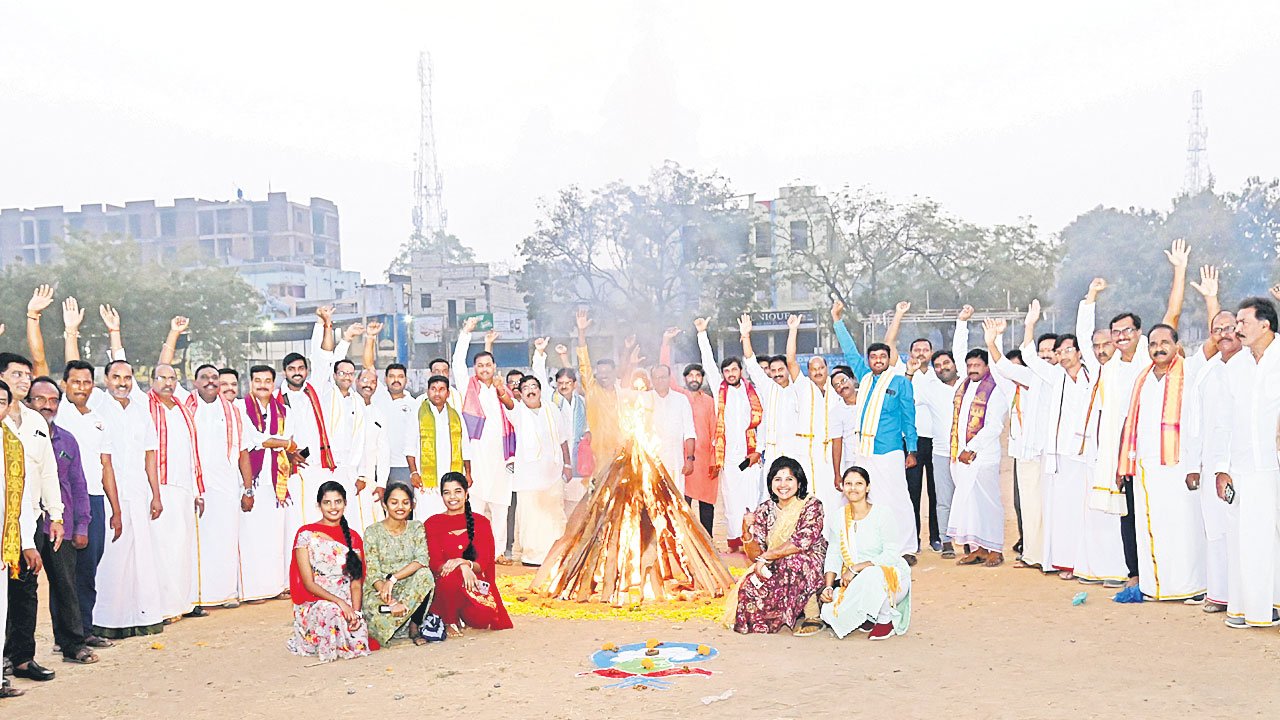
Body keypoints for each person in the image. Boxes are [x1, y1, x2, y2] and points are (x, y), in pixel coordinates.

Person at [1080, 240, 1189, 589]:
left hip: (1157, 450)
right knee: (1128, 512)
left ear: (1139, 333)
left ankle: (1166, 575)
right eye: (1116, 332)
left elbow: (1172, 315)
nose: (1121, 336)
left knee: (1156, 512)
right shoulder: (1109, 365)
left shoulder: (1149, 355)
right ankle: (1135, 573)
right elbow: (1085, 338)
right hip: (1122, 451)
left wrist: (1179, 270)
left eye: (1128, 330)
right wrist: (1090, 299)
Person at [78, 322, 166, 639]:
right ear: (105, 380)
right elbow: (76, 374)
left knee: (141, 553)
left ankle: (143, 616)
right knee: (111, 558)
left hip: (138, 492)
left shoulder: (142, 408)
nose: (122, 383)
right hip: (107, 493)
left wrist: (156, 494)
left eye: (128, 378)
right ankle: (105, 621)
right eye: (116, 377)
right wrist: (85, 333)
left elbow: (151, 455)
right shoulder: (98, 403)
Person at [1117, 322, 1207, 601]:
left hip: (1178, 465)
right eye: (1153, 344)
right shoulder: (1142, 379)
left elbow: (1214, 342)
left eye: (1164, 343)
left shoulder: (1189, 370)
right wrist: (1123, 465)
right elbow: (1130, 423)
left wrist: (1210, 298)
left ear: (1176, 345)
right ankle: (1157, 586)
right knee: (1150, 528)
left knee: (1183, 527)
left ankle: (1189, 587)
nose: (1159, 348)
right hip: (1145, 468)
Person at [882, 301, 973, 555]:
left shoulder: (938, 375)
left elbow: (959, 353)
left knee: (938, 493)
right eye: (917, 349)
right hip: (910, 441)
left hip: (937, 442)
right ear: (910, 353)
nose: (921, 353)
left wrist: (962, 321)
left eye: (926, 349)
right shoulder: (903, 371)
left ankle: (938, 537)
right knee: (910, 491)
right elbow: (888, 345)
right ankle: (913, 540)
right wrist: (898, 314)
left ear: (932, 354)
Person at [832, 304, 919, 559]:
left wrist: (911, 450)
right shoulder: (865, 376)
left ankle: (905, 549)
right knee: (868, 499)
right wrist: (837, 320)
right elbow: (849, 350)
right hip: (863, 452)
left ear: (889, 358)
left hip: (889, 450)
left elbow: (908, 418)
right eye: (873, 357)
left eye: (882, 356)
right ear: (869, 361)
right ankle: (874, 546)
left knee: (898, 500)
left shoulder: (900, 382)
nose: (878, 361)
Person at [1213, 297, 1280, 627]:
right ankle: (1247, 608)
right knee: (1243, 538)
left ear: (1265, 325)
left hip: (1272, 466)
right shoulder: (1235, 366)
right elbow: (1223, 421)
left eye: (1242, 322)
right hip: (1240, 467)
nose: (1236, 328)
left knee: (1271, 536)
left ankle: (1271, 605)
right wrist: (1220, 468)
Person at [24, 377, 97, 664]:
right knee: (23, 593)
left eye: (53, 400)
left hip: (60, 526)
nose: (47, 405)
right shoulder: (17, 435)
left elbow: (78, 485)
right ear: (28, 402)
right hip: (27, 525)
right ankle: (17, 655)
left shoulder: (67, 439)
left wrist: (81, 525)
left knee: (66, 586)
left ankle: (73, 645)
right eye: (40, 399)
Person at [1, 349, 62, 682]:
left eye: (27, 375)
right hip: (3, 523)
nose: (24, 380)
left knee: (26, 591)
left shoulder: (37, 420)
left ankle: (22, 658)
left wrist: (56, 514)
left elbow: (49, 471)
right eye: (16, 374)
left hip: (32, 519)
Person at [1184, 267, 1235, 613]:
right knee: (1214, 530)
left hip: (1242, 465)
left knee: (1242, 531)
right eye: (1217, 330)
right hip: (1208, 464)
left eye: (1230, 329)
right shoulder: (1205, 370)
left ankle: (1252, 597)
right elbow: (1195, 422)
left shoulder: (1254, 365)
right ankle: (1218, 594)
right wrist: (1193, 465)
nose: (1223, 335)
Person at [731, 457, 826, 634]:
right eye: (778, 479)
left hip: (808, 560)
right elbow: (755, 555)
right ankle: (778, 613)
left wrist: (766, 557)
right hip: (773, 563)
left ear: (799, 482)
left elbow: (802, 542)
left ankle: (813, 614)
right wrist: (746, 531)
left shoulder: (811, 505)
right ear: (771, 483)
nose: (783, 485)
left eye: (789, 479)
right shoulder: (765, 509)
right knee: (748, 587)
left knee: (793, 561)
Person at [695, 317, 764, 552]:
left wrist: (758, 451)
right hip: (730, 458)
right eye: (727, 371)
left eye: (734, 369)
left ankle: (753, 540)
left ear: (740, 371)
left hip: (751, 455)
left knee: (753, 498)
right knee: (732, 501)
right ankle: (735, 541)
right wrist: (702, 334)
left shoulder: (753, 392)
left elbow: (761, 424)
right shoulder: (720, 389)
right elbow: (708, 363)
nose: (730, 373)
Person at [451, 319, 517, 561]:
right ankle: (474, 553)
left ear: (494, 366)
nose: (484, 369)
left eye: (488, 364)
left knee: (501, 507)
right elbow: (458, 364)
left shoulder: (502, 391)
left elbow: (513, 412)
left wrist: (489, 344)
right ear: (475, 369)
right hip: (477, 457)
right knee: (475, 509)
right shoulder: (469, 388)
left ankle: (499, 552)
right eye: (480, 365)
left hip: (501, 457)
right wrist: (466, 333)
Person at [819, 466, 911, 640]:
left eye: (859, 483)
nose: (853, 488)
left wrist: (856, 568)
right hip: (857, 581)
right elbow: (833, 554)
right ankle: (869, 613)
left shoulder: (883, 514)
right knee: (829, 611)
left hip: (893, 581)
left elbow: (891, 555)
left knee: (871, 573)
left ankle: (885, 621)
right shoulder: (839, 518)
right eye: (848, 484)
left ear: (868, 487)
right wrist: (829, 586)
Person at [945, 340, 1014, 568]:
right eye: (970, 365)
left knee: (989, 503)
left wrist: (970, 448)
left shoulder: (995, 390)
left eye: (977, 365)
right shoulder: (964, 387)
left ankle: (996, 550)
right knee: (971, 505)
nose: (973, 368)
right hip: (961, 457)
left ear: (987, 367)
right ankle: (979, 549)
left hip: (983, 457)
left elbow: (994, 427)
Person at [287, 481, 371, 661]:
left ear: (345, 504)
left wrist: (355, 612)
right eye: (327, 502)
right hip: (315, 600)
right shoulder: (306, 534)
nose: (333, 507)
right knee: (331, 611)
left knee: (358, 633)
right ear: (319, 505)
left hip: (347, 601)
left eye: (338, 502)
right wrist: (340, 603)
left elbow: (356, 582)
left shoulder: (354, 537)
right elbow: (308, 583)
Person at [424, 472, 513, 635]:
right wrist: (461, 567)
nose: (452, 497)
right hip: (445, 584)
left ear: (466, 494)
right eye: (447, 492)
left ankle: (461, 615)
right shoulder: (433, 523)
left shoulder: (480, 522)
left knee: (481, 619)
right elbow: (435, 563)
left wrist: (465, 563)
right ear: (441, 496)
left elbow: (484, 562)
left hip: (473, 583)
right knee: (449, 579)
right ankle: (449, 620)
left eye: (457, 491)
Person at [240, 365, 295, 601]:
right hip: (252, 478)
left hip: (276, 482)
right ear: (250, 383)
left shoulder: (284, 411)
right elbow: (253, 440)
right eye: (258, 380)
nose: (263, 385)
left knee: (275, 537)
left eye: (267, 381)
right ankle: (253, 590)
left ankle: (275, 586)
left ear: (274, 384)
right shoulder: (240, 408)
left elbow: (289, 439)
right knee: (251, 536)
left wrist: (277, 442)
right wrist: (279, 442)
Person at [506, 368, 570, 566]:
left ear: (540, 390)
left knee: (554, 517)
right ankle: (532, 558)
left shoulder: (552, 409)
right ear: (520, 393)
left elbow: (563, 439)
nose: (530, 390)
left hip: (552, 473)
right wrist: (501, 388)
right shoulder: (517, 411)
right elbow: (506, 401)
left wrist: (567, 464)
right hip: (529, 478)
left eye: (533, 386)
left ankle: (557, 556)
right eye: (525, 388)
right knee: (531, 519)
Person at [659, 328, 718, 535]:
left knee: (707, 504)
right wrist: (666, 343)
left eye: (697, 375)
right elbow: (664, 370)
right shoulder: (679, 394)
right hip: (683, 458)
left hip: (705, 461)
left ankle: (708, 541)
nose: (694, 378)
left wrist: (714, 460)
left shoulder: (710, 402)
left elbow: (715, 432)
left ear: (702, 379)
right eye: (690, 375)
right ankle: (685, 540)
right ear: (684, 379)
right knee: (683, 501)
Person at [361, 483, 435, 646]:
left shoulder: (416, 527)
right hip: (379, 590)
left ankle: (413, 626)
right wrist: (391, 601)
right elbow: (373, 573)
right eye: (394, 502)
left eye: (405, 502)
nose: (400, 507)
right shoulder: (372, 531)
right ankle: (397, 621)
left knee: (425, 575)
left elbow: (422, 560)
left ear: (412, 505)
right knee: (380, 617)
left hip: (409, 586)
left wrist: (393, 579)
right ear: (384, 505)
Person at [1, 380, 38, 698]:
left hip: (5, 544)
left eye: (2, 401)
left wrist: (27, 541)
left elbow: (21, 498)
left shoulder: (11, 443)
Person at [739, 313, 801, 473]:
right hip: (773, 453)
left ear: (788, 369)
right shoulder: (768, 388)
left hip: (798, 453)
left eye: (781, 369)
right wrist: (746, 336)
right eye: (773, 371)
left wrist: (793, 330)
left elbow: (792, 358)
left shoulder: (799, 388)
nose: (777, 374)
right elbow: (751, 364)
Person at [363, 322, 420, 488]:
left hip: (403, 466)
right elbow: (368, 366)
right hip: (375, 463)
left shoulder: (415, 404)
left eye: (400, 376)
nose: (396, 380)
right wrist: (371, 337)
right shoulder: (378, 395)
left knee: (402, 508)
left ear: (406, 380)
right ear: (385, 379)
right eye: (392, 376)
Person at [570, 310, 626, 479]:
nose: (603, 376)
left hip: (620, 453)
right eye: (599, 373)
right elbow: (583, 362)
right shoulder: (592, 390)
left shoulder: (623, 394)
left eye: (607, 373)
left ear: (614, 372)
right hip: (597, 456)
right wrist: (581, 332)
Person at [406, 375, 471, 517]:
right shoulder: (418, 414)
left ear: (448, 393)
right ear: (428, 392)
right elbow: (410, 447)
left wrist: (468, 473)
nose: (437, 393)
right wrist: (414, 472)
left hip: (451, 478)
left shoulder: (456, 416)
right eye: (433, 389)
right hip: (425, 479)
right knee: (425, 518)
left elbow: (465, 447)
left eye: (442, 389)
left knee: (451, 518)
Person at [548, 360, 590, 505]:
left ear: (574, 384)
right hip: (558, 455)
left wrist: (588, 433)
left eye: (567, 382)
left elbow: (588, 423)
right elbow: (539, 374)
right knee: (557, 501)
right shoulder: (552, 400)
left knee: (577, 500)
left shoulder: (582, 402)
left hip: (578, 455)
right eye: (560, 383)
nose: (564, 386)